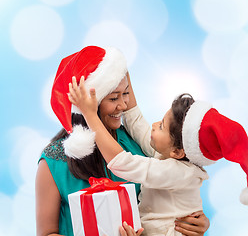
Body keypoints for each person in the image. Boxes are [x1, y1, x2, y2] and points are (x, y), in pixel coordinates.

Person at [35, 45, 210, 236]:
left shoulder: (134, 143)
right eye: (113, 98)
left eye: (125, 93)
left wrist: (194, 220)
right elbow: (46, 233)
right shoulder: (54, 161)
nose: (123, 104)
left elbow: (171, 195)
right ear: (86, 106)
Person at [68, 74, 248, 235]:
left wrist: (89, 114)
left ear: (177, 151)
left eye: (161, 125)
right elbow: (135, 120)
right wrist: (121, 69)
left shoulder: (179, 172)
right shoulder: (171, 155)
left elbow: (123, 163)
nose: (154, 124)